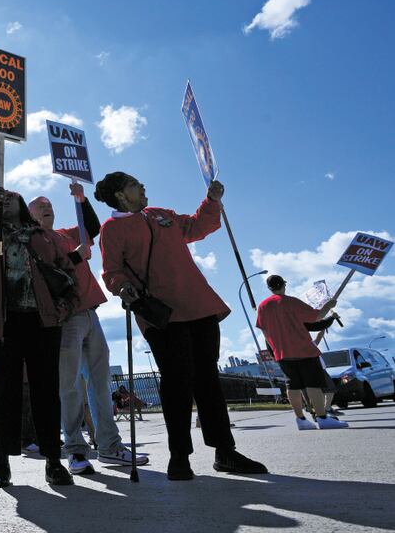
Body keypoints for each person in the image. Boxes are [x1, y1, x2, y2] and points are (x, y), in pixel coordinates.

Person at [95, 172, 267, 480]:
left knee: (208, 379)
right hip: (162, 314)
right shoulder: (112, 228)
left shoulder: (162, 215)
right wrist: (122, 288)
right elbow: (111, 271)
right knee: (176, 382)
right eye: (135, 184)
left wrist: (212, 201)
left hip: (199, 305)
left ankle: (224, 452)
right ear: (121, 195)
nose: (143, 186)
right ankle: (179, 456)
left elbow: (199, 226)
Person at [29, 184, 148, 476]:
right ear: (29, 214)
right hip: (64, 318)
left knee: (100, 382)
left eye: (50, 204)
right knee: (68, 388)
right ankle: (75, 450)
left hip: (90, 312)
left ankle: (109, 446)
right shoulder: (34, 241)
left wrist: (81, 201)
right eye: (40, 205)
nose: (48, 207)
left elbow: (91, 228)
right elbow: (43, 273)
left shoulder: (67, 234)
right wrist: (76, 258)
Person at [0, 187, 78, 488]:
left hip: (43, 321)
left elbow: (67, 270)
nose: (7, 198)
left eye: (12, 196)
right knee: (4, 391)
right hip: (2, 323)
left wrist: (66, 306)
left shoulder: (41, 235)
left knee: (46, 390)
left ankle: (53, 460)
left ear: (23, 205)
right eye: (1, 197)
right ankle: (1, 461)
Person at [256, 275, 347, 430]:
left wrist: (274, 349)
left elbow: (263, 329)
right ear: (284, 285)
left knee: (292, 385)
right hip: (303, 350)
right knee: (313, 384)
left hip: (282, 352)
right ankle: (322, 418)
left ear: (269, 288)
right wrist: (329, 304)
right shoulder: (291, 301)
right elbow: (315, 317)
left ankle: (301, 420)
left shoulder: (263, 306)